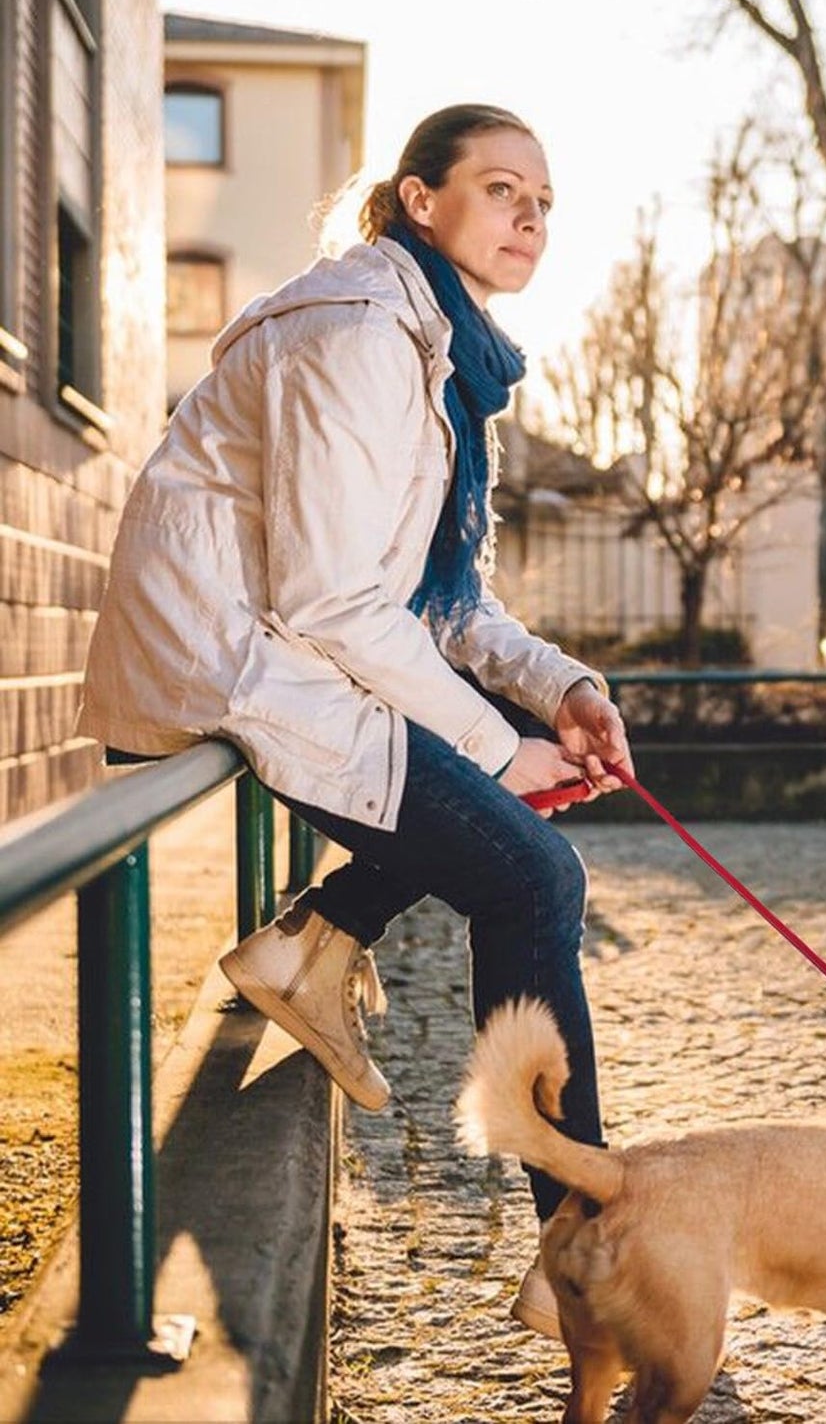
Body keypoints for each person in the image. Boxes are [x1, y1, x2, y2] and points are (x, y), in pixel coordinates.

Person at [76, 103, 631, 1341]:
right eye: (501, 189)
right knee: (531, 871)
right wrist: (500, 748)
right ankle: (590, 1244)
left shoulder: (439, 349)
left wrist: (559, 691)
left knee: (503, 820)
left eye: (544, 199)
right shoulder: (363, 332)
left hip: (284, 643)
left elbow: (439, 602)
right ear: (421, 200)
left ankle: (312, 942)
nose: (530, 215)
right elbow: (336, 598)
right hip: (230, 651)